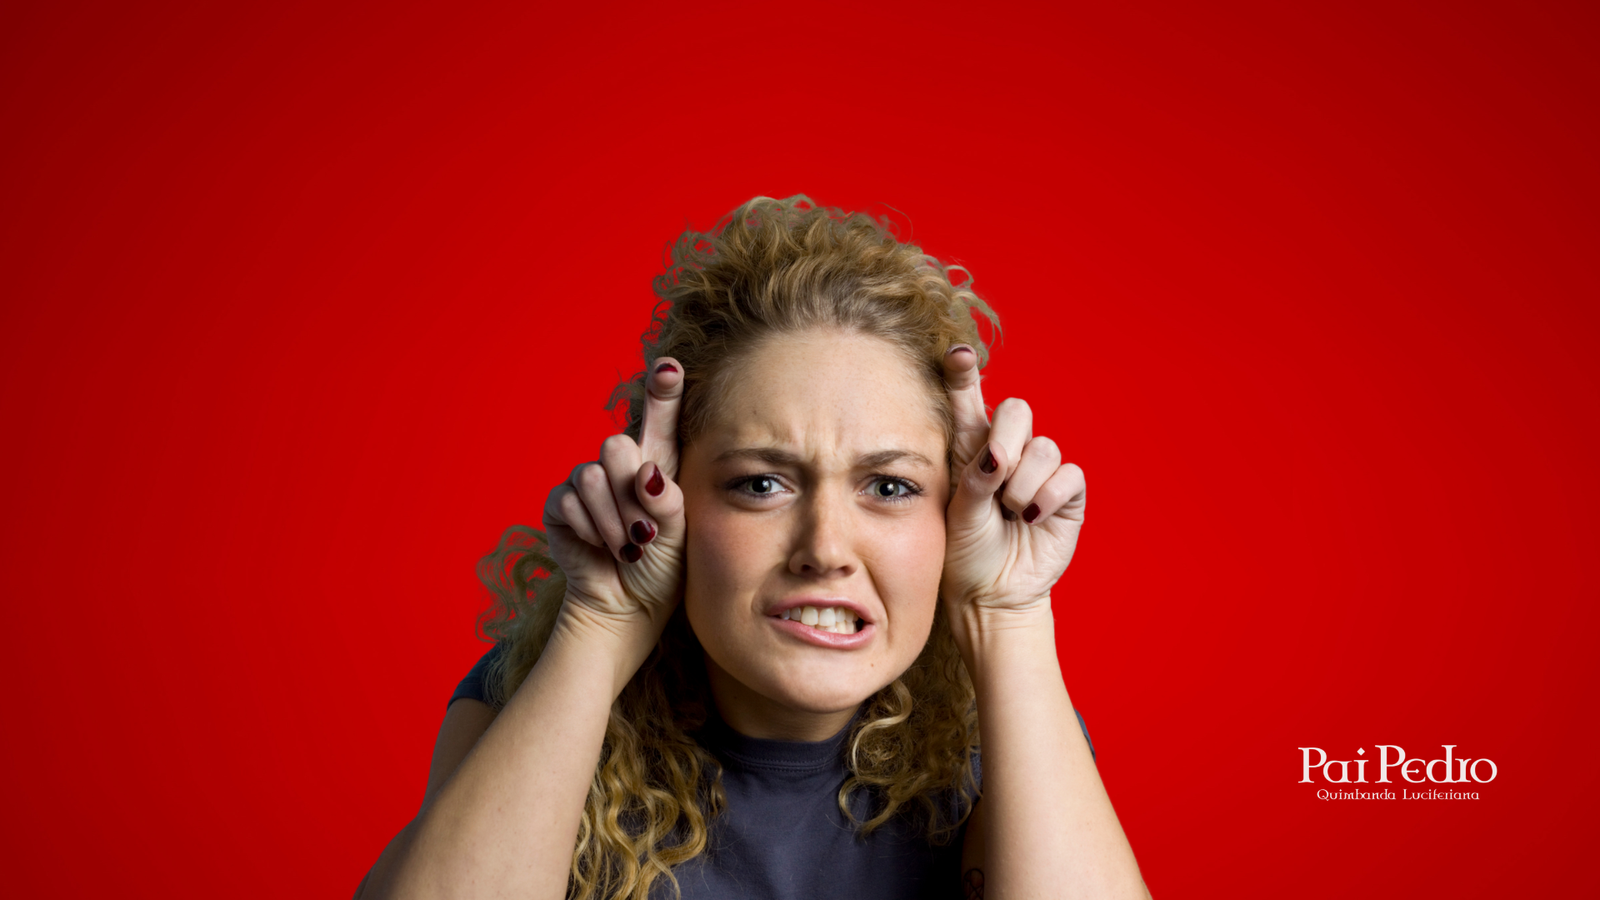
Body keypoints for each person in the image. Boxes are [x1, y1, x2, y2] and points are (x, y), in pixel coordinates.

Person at [356, 196, 1151, 899]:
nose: (825, 548)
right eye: (762, 484)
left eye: (890, 486)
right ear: (665, 486)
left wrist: (1006, 611)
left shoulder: (999, 727)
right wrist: (600, 621)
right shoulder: (538, 691)